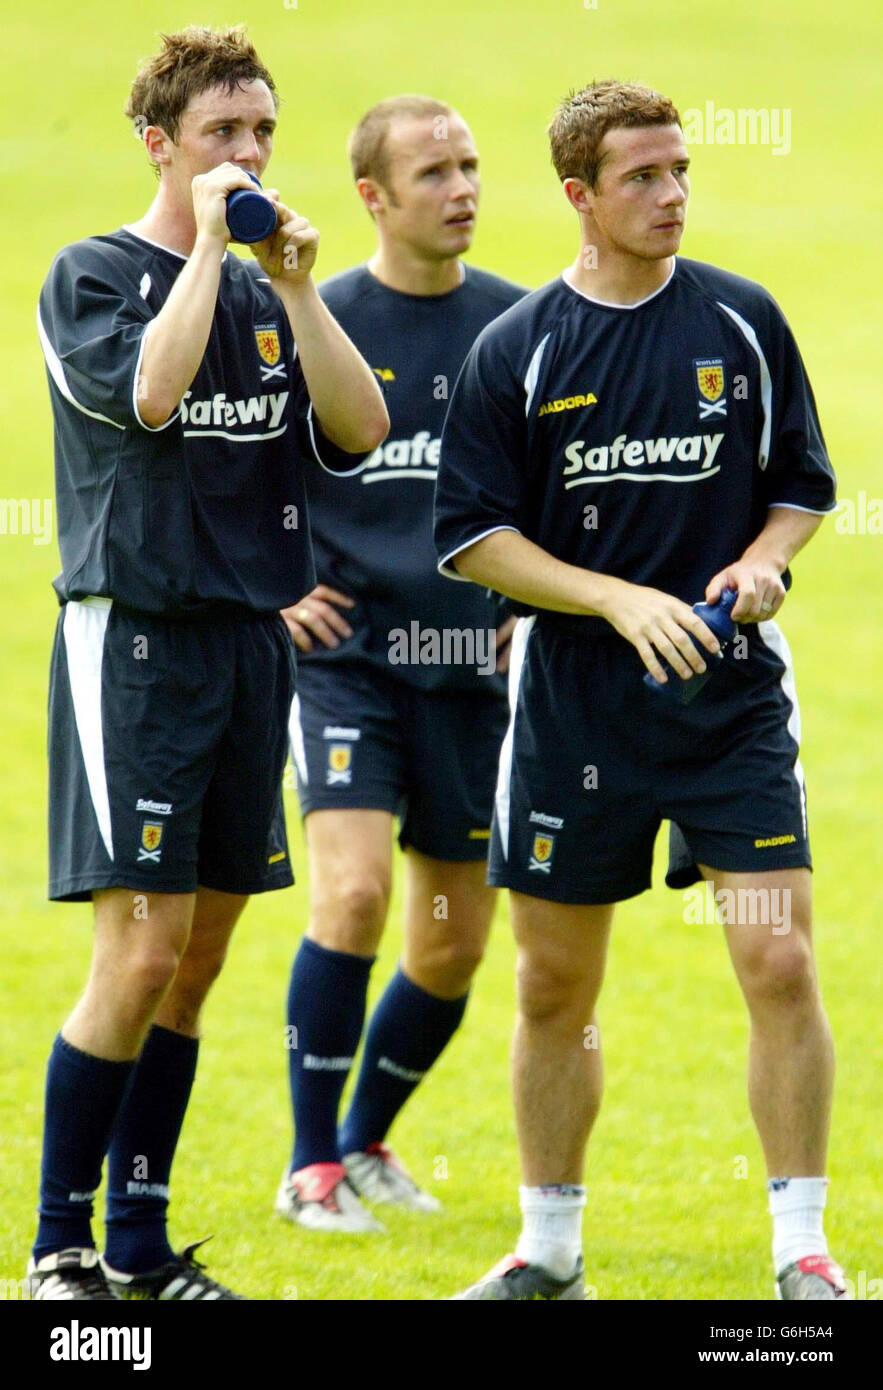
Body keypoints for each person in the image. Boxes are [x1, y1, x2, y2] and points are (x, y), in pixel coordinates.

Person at [434, 80, 847, 1301]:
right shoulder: (518, 349)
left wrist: (762, 563)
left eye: (679, 173)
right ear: (579, 195)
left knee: (776, 965)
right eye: (642, 179)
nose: (672, 196)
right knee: (555, 983)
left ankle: (800, 1249)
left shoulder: (742, 321)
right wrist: (615, 597)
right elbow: (473, 539)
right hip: (573, 710)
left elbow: (804, 485)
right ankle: (549, 1249)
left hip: (729, 703)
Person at [29, 25, 387, 1301]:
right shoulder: (90, 275)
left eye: (262, 136)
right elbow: (152, 398)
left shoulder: (264, 296)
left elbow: (360, 428)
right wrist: (206, 248)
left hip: (250, 649)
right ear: (161, 145)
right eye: (222, 136)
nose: (247, 157)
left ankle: (137, 1241)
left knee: (200, 958)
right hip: (133, 644)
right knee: (135, 952)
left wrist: (293, 284)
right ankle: (57, 1249)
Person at [276, 96, 525, 1232]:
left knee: (454, 944)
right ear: (371, 196)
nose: (462, 187)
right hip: (348, 663)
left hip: (475, 666)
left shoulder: (519, 328)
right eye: (434, 172)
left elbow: (559, 498)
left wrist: (541, 602)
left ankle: (365, 1139)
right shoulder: (316, 323)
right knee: (354, 894)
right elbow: (229, 478)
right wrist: (272, 589)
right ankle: (309, 1166)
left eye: (470, 165)